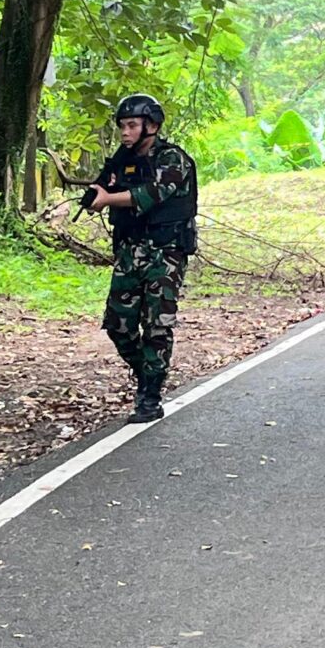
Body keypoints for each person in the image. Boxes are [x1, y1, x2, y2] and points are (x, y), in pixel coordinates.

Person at [83, 93, 199, 423]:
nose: (125, 133)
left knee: (156, 325)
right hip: (130, 252)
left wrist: (108, 199)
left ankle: (150, 395)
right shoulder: (123, 161)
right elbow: (106, 188)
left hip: (166, 253)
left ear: (152, 126)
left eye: (132, 125)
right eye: (122, 126)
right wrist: (98, 192)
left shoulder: (172, 159)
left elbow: (151, 194)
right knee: (117, 323)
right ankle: (146, 372)